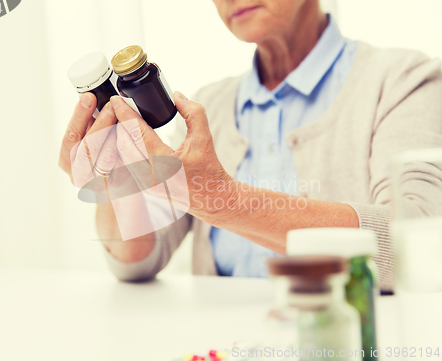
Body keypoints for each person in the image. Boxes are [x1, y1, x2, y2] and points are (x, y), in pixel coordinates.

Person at [58, 0, 442, 291]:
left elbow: (416, 247)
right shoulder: (211, 104)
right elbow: (136, 259)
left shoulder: (403, 80)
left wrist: (219, 197)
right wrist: (114, 178)